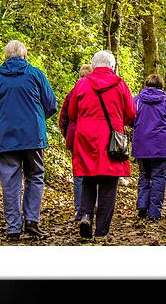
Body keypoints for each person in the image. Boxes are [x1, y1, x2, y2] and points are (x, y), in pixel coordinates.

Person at [0, 40, 57, 241]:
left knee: (10, 182)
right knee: (35, 176)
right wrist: (37, 120)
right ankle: (32, 221)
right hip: (33, 137)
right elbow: (51, 104)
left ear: (6, 57)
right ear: (25, 55)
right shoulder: (36, 74)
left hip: (6, 138)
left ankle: (13, 227)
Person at [68, 50, 136, 239]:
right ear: (112, 66)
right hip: (110, 138)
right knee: (108, 184)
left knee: (88, 179)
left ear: (93, 65)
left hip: (86, 137)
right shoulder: (120, 84)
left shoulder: (81, 84)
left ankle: (86, 215)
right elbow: (131, 113)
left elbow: (72, 113)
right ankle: (101, 232)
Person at [132, 73, 166, 221]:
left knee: (144, 176)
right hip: (162, 147)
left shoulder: (138, 100)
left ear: (147, 84)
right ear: (161, 85)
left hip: (142, 146)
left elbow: (129, 117)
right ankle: (154, 213)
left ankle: (142, 205)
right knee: (159, 179)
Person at [59, 63, 93, 221]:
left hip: (76, 136)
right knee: (94, 173)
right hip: (92, 136)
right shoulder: (94, 91)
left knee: (79, 175)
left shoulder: (73, 92)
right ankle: (92, 208)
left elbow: (64, 116)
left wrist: (67, 134)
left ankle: (80, 210)